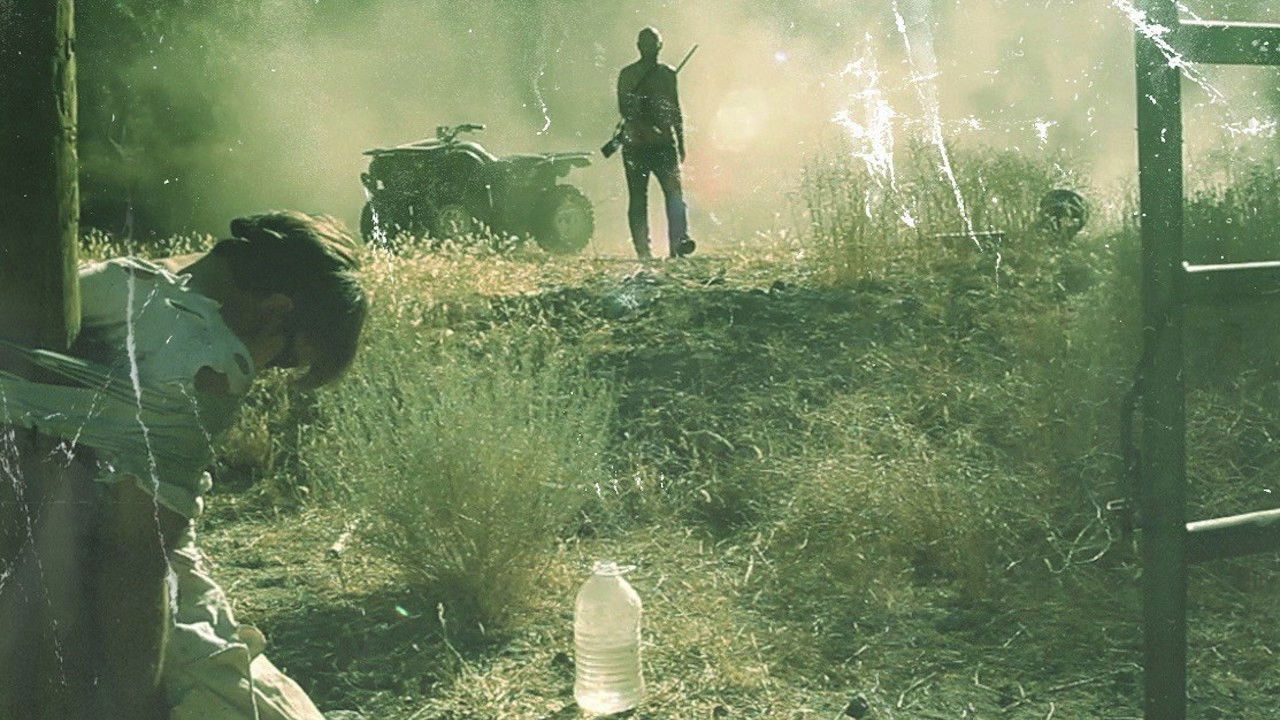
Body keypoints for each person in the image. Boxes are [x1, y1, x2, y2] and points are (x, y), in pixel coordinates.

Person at [0, 211, 368, 720]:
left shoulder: (119, 277)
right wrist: (141, 706)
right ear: (276, 310)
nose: (267, 372)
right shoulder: (212, 365)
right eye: (285, 358)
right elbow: (137, 563)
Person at [617, 26, 694, 260]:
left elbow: (675, 109)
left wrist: (680, 141)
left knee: (670, 196)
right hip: (641, 145)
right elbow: (625, 110)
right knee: (643, 198)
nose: (650, 48)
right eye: (648, 44)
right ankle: (645, 250)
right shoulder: (631, 75)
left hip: (658, 145)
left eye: (653, 44)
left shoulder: (664, 74)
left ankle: (676, 245)